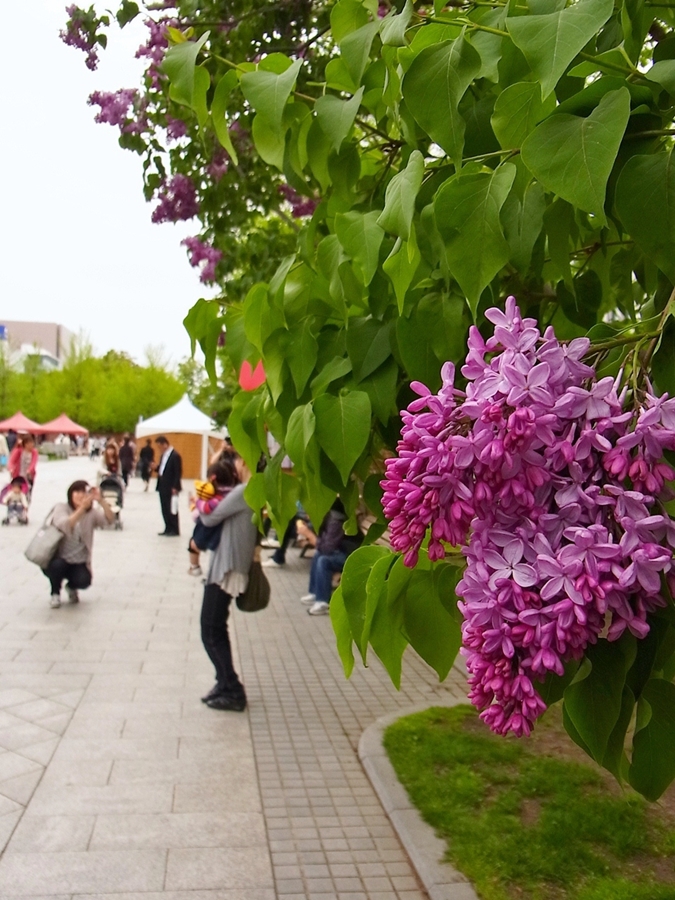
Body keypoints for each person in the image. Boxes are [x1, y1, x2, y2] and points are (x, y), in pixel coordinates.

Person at [199, 454, 257, 711]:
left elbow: (210, 518)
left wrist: (200, 501)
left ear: (245, 463)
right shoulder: (250, 492)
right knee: (216, 627)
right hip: (232, 567)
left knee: (210, 629)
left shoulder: (244, 491)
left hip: (227, 569)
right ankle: (223, 682)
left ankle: (232, 688)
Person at [43, 480, 115, 608]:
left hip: (79, 561)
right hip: (59, 558)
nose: (80, 495)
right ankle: (55, 593)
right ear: (70, 494)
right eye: (76, 492)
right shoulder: (61, 508)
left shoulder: (91, 513)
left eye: (83, 492)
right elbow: (65, 524)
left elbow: (110, 520)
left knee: (84, 580)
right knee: (56, 566)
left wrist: (101, 501)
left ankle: (71, 587)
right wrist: (81, 509)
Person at [302, 501, 363, 616]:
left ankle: (322, 602)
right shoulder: (329, 516)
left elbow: (327, 548)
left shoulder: (335, 520)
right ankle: (315, 592)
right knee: (318, 555)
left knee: (323, 561)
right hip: (343, 551)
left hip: (352, 556)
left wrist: (309, 535)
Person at [187, 458, 238, 576]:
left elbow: (206, 508)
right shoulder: (232, 493)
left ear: (212, 478)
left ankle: (194, 567)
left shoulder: (219, 497)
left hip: (210, 527)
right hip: (223, 529)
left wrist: (197, 502)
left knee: (193, 544)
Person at [155, 436, 182, 536]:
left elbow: (177, 472)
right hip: (162, 484)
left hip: (171, 485)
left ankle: (174, 529)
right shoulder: (163, 456)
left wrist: (175, 486)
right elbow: (163, 469)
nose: (159, 449)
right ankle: (167, 527)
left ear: (165, 444)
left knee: (172, 507)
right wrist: (156, 468)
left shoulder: (175, 456)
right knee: (164, 507)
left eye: (160, 446)